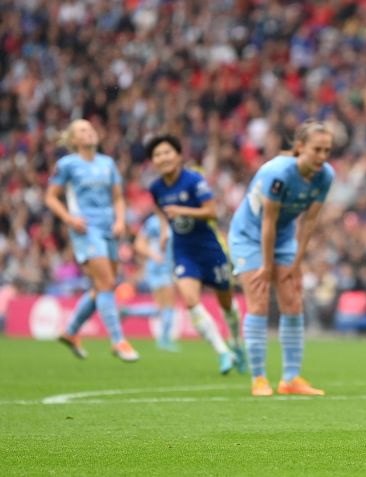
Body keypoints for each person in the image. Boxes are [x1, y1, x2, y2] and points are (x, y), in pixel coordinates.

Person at [228, 120, 335, 397]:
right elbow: (267, 223)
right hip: (249, 237)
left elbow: (309, 222)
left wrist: (297, 264)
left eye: (327, 150)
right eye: (317, 150)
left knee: (293, 299)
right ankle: (259, 378)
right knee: (259, 300)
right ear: (299, 148)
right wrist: (265, 266)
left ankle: (290, 379)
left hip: (284, 237)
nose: (323, 157)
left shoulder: (326, 176)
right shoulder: (277, 173)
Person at [147, 134, 244, 374]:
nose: (163, 158)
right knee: (190, 300)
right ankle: (223, 352)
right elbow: (161, 211)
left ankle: (236, 342)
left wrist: (181, 210)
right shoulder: (156, 187)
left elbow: (211, 212)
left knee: (227, 303)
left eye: (167, 152)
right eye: (157, 155)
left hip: (210, 249)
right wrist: (162, 231)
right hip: (184, 251)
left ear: (178, 156)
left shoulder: (194, 181)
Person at [44, 119, 139, 362]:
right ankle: (118, 340)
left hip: (110, 228)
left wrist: (120, 220)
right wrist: (69, 219)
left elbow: (118, 197)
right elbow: (51, 198)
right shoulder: (67, 164)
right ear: (73, 140)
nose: (89, 133)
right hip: (86, 229)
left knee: (102, 287)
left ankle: (71, 330)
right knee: (107, 283)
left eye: (91, 129)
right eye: (82, 130)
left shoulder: (107, 163)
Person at [119, 213, 179, 351]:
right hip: (160, 267)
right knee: (168, 305)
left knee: (160, 308)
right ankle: (164, 340)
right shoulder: (154, 222)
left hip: (163, 266)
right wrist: (154, 255)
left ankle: (128, 311)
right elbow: (139, 244)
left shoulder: (170, 220)